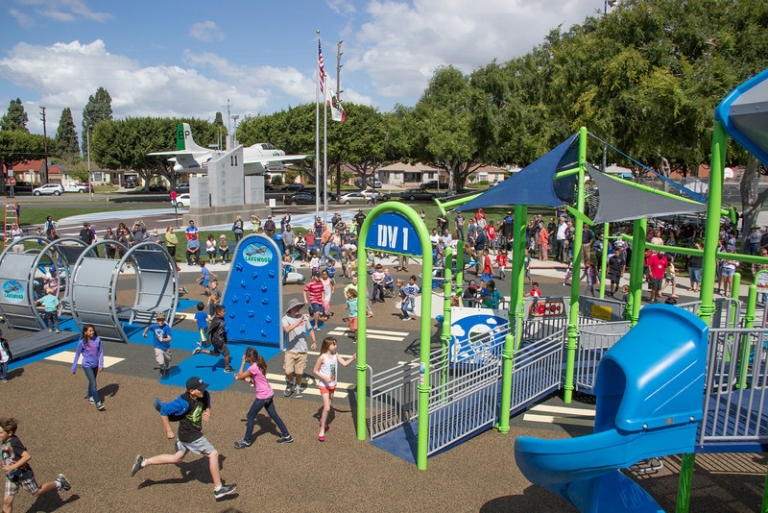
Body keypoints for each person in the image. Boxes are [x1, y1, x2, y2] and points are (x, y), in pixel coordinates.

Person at [130, 377, 237, 500]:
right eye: (200, 389)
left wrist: (207, 412)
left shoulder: (205, 394)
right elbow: (164, 411)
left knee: (177, 458)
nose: (204, 390)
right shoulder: (183, 402)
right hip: (189, 435)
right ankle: (219, 489)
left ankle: (143, 462)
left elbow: (207, 404)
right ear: (191, 391)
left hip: (188, 434)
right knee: (213, 454)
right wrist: (169, 430)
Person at [1, 417, 71, 511]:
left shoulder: (14, 443)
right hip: (12, 476)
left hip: (24, 474)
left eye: (1, 433)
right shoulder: (3, 441)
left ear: (9, 433)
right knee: (7, 501)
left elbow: (27, 456)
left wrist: (12, 467)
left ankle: (59, 482)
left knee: (36, 492)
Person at [233, 348, 294, 448]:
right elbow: (254, 381)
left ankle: (247, 441)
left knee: (250, 416)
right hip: (269, 394)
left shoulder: (252, 368)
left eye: (245, 356)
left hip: (262, 397)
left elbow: (240, 376)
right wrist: (242, 378)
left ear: (249, 358)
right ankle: (287, 435)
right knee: (274, 415)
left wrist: (243, 363)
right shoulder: (259, 365)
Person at [313, 337, 356, 442]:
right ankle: (322, 429)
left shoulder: (335, 355)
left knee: (329, 405)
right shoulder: (322, 357)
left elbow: (344, 364)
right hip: (324, 385)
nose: (335, 346)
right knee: (327, 408)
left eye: (335, 344)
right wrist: (325, 378)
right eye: (333, 344)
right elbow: (315, 370)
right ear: (328, 346)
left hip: (333, 384)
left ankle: (324, 420)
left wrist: (353, 358)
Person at [282, 298, 317, 398]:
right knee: (288, 371)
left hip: (302, 350)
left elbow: (310, 330)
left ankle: (297, 386)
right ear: (290, 309)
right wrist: (299, 321)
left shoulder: (303, 318)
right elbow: (287, 329)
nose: (297, 309)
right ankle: (290, 383)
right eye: (295, 308)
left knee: (299, 373)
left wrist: (314, 341)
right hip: (290, 350)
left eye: (298, 307)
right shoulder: (285, 319)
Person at [71, 324, 105, 411]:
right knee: (94, 384)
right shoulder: (82, 343)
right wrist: (73, 367)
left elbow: (101, 352)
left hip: (95, 365)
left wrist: (101, 365)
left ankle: (89, 395)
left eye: (93, 330)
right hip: (87, 365)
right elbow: (77, 354)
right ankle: (98, 402)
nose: (92, 332)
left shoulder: (97, 340)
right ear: (85, 332)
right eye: (90, 331)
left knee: (92, 380)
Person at [192, 305, 234, 373]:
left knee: (216, 353)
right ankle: (227, 368)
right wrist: (208, 340)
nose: (225, 312)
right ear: (219, 312)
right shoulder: (216, 321)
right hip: (218, 340)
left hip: (218, 339)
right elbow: (209, 330)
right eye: (223, 311)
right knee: (226, 353)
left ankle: (200, 350)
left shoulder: (221, 318)